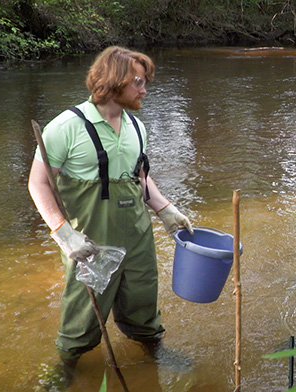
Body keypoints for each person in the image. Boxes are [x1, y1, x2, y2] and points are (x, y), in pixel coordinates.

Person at [27, 46, 193, 376]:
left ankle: (152, 349)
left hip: (137, 235)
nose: (145, 89)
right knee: (83, 311)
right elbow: (38, 184)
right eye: (138, 82)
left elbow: (140, 176)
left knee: (143, 300)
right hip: (89, 239)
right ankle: (66, 368)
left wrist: (166, 210)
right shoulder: (64, 128)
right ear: (114, 81)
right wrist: (64, 234)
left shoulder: (137, 128)